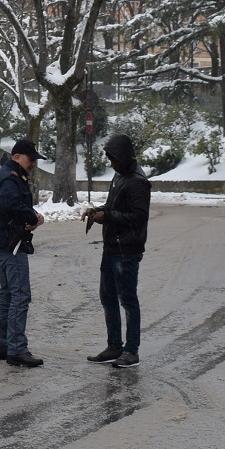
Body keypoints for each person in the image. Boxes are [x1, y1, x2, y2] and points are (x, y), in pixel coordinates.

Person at [86, 132, 150, 369]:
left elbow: (138, 216)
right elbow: (115, 207)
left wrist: (108, 216)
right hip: (112, 247)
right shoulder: (120, 176)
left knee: (128, 300)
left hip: (126, 250)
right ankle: (114, 346)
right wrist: (98, 210)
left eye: (112, 158)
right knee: (108, 298)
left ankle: (131, 351)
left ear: (122, 156)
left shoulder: (137, 181)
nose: (110, 163)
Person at [0, 139, 44, 367]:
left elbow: (13, 206)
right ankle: (17, 349)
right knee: (20, 296)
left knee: (9, 296)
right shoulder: (10, 177)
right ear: (18, 156)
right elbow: (11, 204)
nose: (33, 164)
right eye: (31, 160)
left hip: (4, 243)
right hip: (12, 245)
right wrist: (31, 218)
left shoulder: (9, 175)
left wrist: (31, 215)